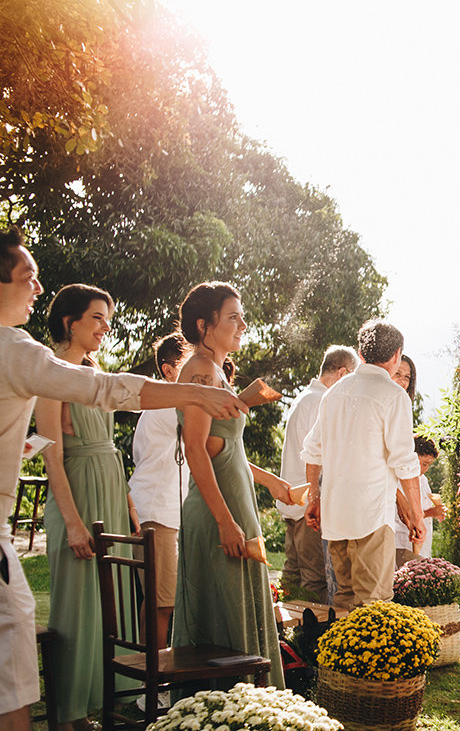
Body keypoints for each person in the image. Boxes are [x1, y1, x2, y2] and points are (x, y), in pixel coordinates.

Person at [0, 228, 246, 731]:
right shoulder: (19, 353)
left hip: (106, 492)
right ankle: (68, 710)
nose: (38, 288)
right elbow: (103, 393)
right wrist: (191, 395)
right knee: (13, 658)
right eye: (29, 277)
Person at [173, 281, 290, 689]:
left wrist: (270, 480)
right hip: (216, 512)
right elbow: (195, 450)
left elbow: (223, 448)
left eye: (242, 315)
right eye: (233, 317)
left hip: (233, 503)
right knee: (224, 614)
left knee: (239, 608)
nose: (242, 324)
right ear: (204, 325)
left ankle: (243, 705)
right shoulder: (201, 371)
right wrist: (225, 520)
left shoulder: (216, 370)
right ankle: (223, 704)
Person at [36, 285, 140, 729]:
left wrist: (130, 508)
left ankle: (105, 700)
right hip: (76, 491)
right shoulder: (49, 372)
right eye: (97, 317)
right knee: (79, 603)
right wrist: (74, 523)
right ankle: (70, 712)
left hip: (110, 488)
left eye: (107, 318)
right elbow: (51, 455)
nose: (106, 326)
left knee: (110, 600)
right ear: (69, 322)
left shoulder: (95, 372)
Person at [302, 320, 424, 608]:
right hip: (370, 517)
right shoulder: (394, 395)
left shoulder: (333, 392)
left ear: (361, 351)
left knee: (343, 600)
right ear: (396, 355)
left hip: (336, 516)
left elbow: (312, 451)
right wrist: (417, 515)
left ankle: (343, 654)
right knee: (374, 604)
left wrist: (314, 497)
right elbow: (405, 462)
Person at [277, 345, 358, 604]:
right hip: (308, 504)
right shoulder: (321, 401)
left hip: (292, 500)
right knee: (315, 579)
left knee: (292, 575)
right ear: (342, 373)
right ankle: (310, 639)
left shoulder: (304, 397)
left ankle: (285, 637)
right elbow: (323, 455)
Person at [128, 333, 191, 662]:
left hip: (164, 509)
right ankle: (152, 683)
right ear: (168, 370)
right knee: (162, 602)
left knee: (161, 599)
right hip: (157, 511)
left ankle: (153, 675)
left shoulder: (167, 404)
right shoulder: (167, 403)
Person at [395, 436, 445, 567]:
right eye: (424, 464)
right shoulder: (400, 482)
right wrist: (431, 512)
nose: (426, 469)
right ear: (412, 457)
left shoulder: (424, 480)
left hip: (422, 544)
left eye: (429, 465)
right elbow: (404, 513)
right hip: (403, 542)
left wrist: (436, 512)